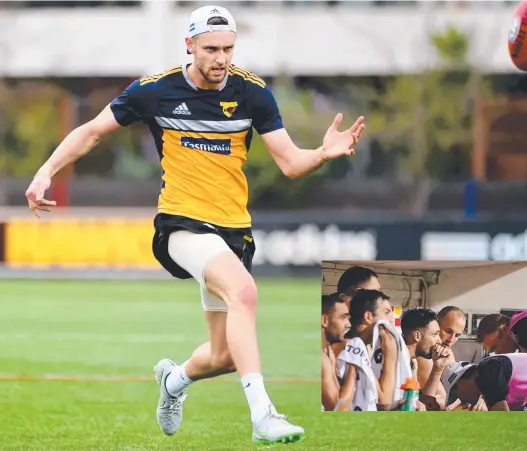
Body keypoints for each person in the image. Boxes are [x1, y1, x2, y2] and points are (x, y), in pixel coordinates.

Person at [24, 4, 366, 445]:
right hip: (182, 224)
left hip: (233, 231)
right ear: (189, 46)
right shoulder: (155, 91)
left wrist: (321, 154)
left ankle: (173, 382)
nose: (221, 58)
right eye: (211, 49)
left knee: (224, 355)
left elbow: (290, 163)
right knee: (244, 292)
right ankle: (263, 414)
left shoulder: (253, 94)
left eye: (228, 48)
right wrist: (45, 172)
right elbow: (91, 131)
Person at [441, 353, 527, 411]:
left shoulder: (486, 371)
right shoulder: (487, 370)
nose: (461, 400)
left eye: (455, 395)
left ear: (460, 383)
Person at [416, 306, 466, 404]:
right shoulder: (424, 355)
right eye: (448, 331)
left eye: (457, 335)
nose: (451, 339)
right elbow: (439, 398)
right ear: (436, 326)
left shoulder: (447, 351)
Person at [321, 293, 351, 411]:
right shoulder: (321, 359)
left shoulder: (328, 351)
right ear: (324, 320)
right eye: (343, 317)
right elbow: (337, 410)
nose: (349, 324)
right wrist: (353, 367)